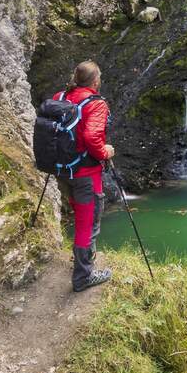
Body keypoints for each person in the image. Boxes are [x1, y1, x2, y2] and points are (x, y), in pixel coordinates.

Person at [55, 60, 115, 291]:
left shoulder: (61, 96)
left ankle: (84, 259)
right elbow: (91, 137)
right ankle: (83, 276)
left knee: (79, 214)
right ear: (96, 81)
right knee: (87, 223)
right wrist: (104, 151)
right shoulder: (95, 104)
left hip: (62, 168)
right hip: (85, 173)